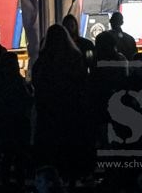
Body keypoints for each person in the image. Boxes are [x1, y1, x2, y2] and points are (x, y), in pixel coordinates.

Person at [32, 24, 94, 183]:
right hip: (71, 113)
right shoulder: (74, 59)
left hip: (49, 116)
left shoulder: (43, 61)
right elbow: (82, 85)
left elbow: (37, 85)